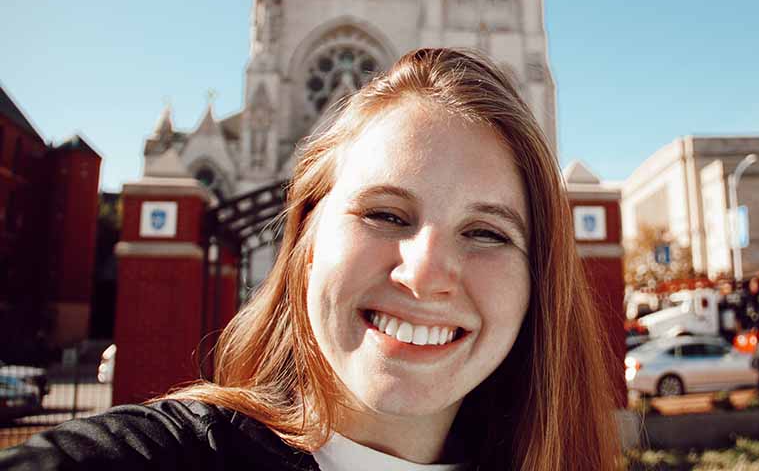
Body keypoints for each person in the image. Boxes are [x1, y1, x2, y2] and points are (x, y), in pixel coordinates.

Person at [0, 48, 620, 470]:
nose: (426, 272)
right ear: (304, 239)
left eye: (487, 233)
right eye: (385, 214)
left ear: (538, 280)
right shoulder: (175, 454)